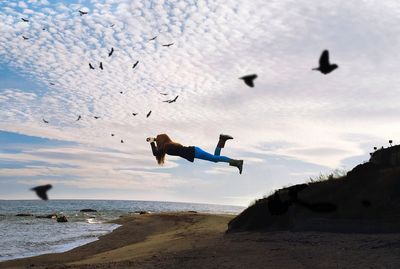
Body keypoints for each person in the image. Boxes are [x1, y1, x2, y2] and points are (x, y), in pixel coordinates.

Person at [146, 134, 243, 174]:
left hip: (195, 152)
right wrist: (154, 139)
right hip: (195, 151)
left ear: (161, 142)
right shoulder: (168, 145)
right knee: (216, 159)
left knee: (215, 159)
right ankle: (222, 139)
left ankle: (237, 162)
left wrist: (152, 142)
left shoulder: (167, 147)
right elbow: (157, 150)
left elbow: (155, 153)